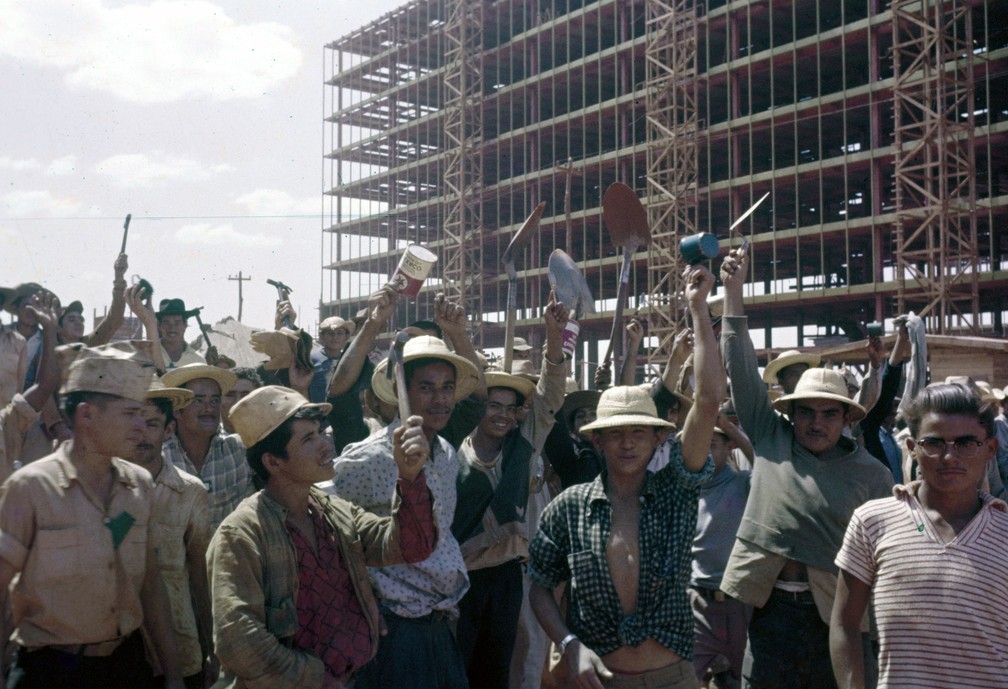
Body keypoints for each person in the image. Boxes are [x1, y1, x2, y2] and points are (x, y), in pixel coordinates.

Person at [528, 262, 724, 689]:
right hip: (596, 679)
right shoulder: (569, 508)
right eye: (615, 434)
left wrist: (698, 308)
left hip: (673, 677)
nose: (628, 443)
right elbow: (540, 586)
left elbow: (708, 400)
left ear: (658, 440)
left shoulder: (676, 490)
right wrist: (568, 643)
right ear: (597, 442)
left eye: (639, 432)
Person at [718, 248, 894, 689]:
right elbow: (739, 367)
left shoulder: (872, 474)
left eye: (829, 414)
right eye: (807, 412)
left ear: (847, 418)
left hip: (835, 617)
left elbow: (886, 563)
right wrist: (732, 295)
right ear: (791, 414)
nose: (816, 422)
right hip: (768, 608)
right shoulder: (770, 436)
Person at [209, 386, 438, 688]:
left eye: (321, 432)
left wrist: (409, 477)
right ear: (273, 462)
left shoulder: (334, 512)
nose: (326, 445)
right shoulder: (241, 535)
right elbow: (238, 641)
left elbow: (411, 547)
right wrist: (315, 677)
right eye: (308, 439)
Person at [0, 346, 184, 689]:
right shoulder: (31, 488)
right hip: (50, 672)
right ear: (86, 416)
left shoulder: (139, 486)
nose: (142, 427)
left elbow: (151, 586)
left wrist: (173, 675)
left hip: (125, 667)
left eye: (144, 416)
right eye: (130, 414)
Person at [830, 382, 1008, 688]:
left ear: (990, 449)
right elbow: (845, 624)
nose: (950, 457)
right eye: (935, 443)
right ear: (912, 448)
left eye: (966, 443)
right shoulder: (872, 522)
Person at [328, 335, 482, 689]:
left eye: (447, 387)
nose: (440, 399)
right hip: (395, 630)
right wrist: (362, 597)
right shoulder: (369, 457)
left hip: (440, 623)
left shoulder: (443, 450)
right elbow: (322, 516)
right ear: (402, 393)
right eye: (426, 387)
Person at [453, 290, 568, 689]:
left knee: (497, 667)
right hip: (459, 578)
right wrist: (457, 334)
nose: (501, 415)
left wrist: (554, 337)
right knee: (457, 666)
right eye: (492, 405)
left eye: (510, 408)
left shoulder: (525, 444)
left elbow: (552, 393)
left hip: (504, 578)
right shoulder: (451, 447)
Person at [128, 376, 214, 689]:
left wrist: (212, 649)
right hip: (119, 646)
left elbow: (199, 573)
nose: (139, 434)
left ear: (168, 431)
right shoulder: (104, 488)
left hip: (179, 646)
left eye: (152, 424)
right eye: (132, 421)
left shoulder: (189, 492)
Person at [688, 419, 752, 689]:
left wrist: (728, 426)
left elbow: (766, 466)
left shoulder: (743, 484)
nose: (704, 452)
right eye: (698, 445)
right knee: (683, 677)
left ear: (729, 447)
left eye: (712, 445)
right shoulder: (686, 490)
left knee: (743, 680)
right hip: (698, 603)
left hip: (741, 605)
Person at [161, 363, 253, 531]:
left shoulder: (237, 451)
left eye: (215, 400)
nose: (209, 407)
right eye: (198, 400)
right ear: (177, 410)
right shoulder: (161, 458)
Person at [155, 299, 207, 369]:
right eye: (167, 322)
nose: (172, 328)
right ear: (159, 325)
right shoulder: (146, 356)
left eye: (177, 322)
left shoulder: (198, 361)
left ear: (185, 324)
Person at [220, 368, 261, 435]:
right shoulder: (204, 440)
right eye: (230, 395)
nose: (237, 402)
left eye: (245, 395)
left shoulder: (272, 440)